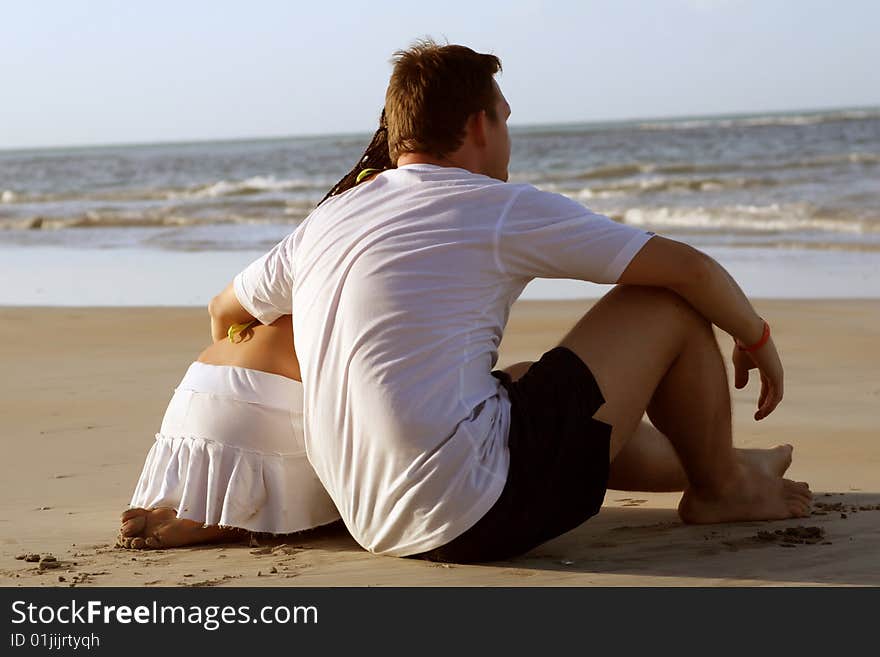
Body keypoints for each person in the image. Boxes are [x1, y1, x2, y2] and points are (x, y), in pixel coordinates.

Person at [160, 41, 815, 561]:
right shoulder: (497, 206)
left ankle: (724, 464)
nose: (507, 137)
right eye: (504, 119)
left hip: (372, 518)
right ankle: (721, 489)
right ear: (479, 124)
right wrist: (757, 339)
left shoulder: (330, 219)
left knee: (527, 384)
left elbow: (227, 310)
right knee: (665, 306)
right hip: (473, 514)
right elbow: (688, 269)